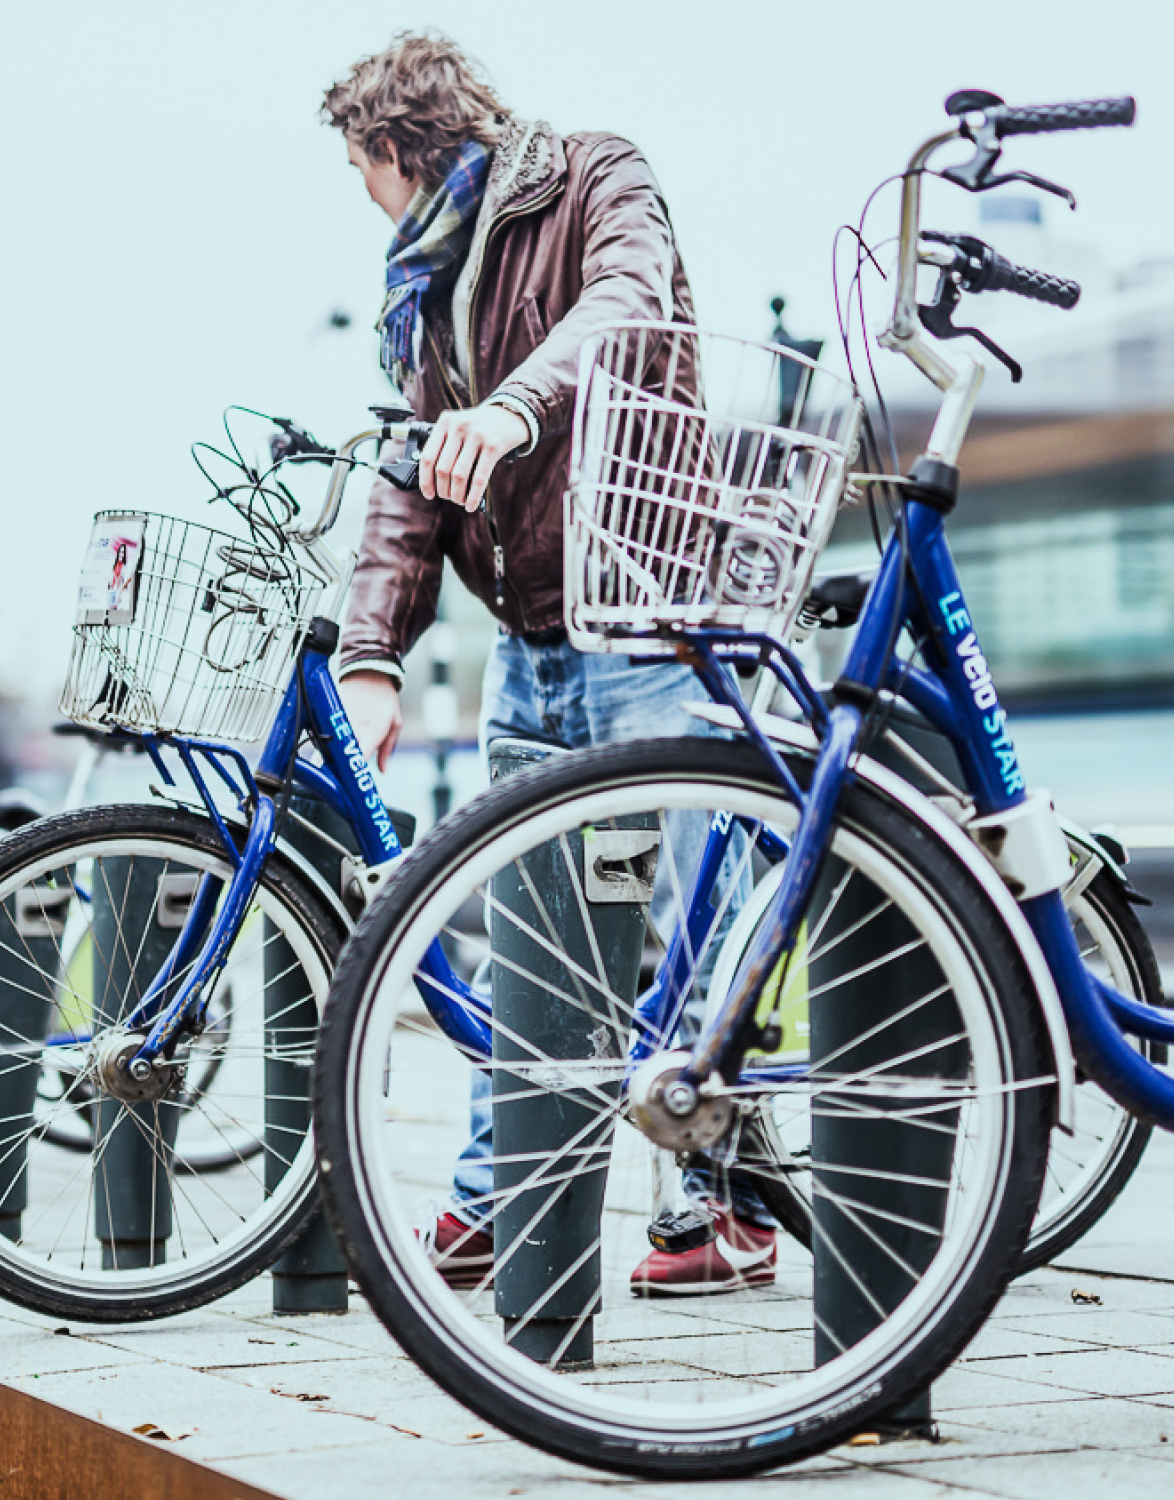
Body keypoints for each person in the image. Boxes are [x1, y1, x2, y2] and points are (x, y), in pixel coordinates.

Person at [321, 31, 774, 1298]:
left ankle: (715, 1204)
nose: (359, 194)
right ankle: (504, 1190)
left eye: (360, 165)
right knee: (539, 943)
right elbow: (412, 480)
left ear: (398, 148)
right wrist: (372, 656)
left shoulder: (594, 178)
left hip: (650, 621)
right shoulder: (424, 284)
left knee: (696, 935)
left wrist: (514, 404)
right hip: (529, 644)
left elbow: (627, 309)